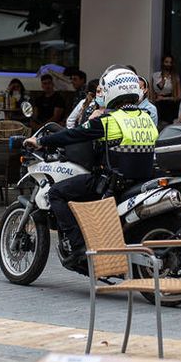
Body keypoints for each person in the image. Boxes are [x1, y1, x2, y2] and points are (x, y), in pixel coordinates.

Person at [28, 66, 158, 263]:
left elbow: (73, 134)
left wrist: (40, 141)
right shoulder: (146, 118)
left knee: (55, 193)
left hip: (112, 183)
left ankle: (78, 247)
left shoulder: (109, 121)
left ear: (113, 91)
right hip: (139, 181)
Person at [149, 53, 181, 120]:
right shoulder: (155, 76)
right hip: (157, 104)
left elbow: (179, 96)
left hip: (169, 105)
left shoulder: (175, 77)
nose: (168, 64)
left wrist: (164, 98)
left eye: (170, 62)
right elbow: (151, 92)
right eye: (166, 62)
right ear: (162, 63)